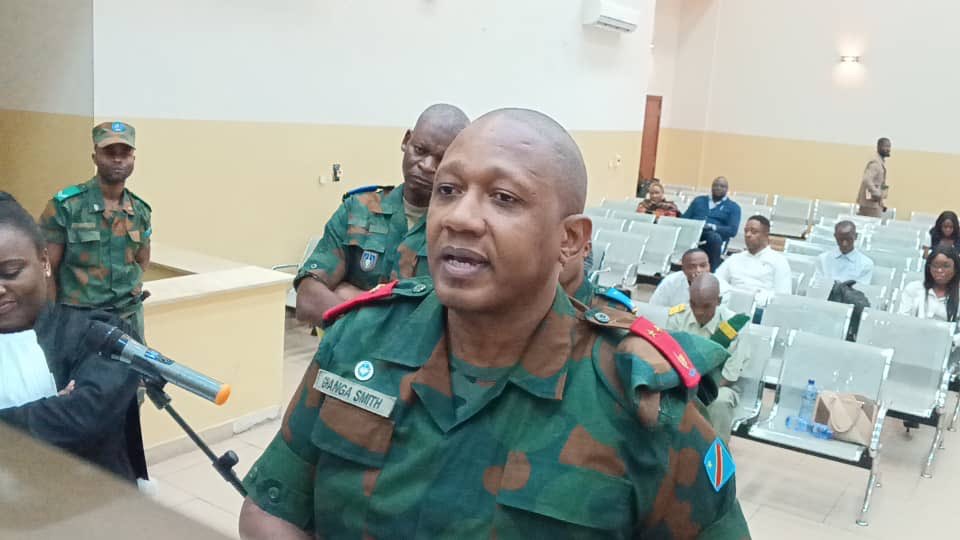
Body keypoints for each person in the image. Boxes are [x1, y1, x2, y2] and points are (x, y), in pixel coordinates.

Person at [238, 109, 750, 539]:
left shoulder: (638, 401)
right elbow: (271, 507)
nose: (459, 217)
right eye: (447, 190)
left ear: (570, 239)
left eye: (504, 198)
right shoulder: (360, 339)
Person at [0, 192, 146, 482]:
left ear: (44, 261)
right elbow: (60, 424)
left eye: (11, 272)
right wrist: (49, 410)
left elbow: (83, 419)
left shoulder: (99, 333)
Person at [294, 104, 470, 324]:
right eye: (420, 150)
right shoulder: (357, 210)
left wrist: (351, 297)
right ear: (406, 140)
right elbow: (308, 299)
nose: (426, 166)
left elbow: (456, 322)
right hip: (351, 347)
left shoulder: (462, 229)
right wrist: (384, 323)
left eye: (441, 159)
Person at [38, 122, 152, 339]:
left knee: (138, 363)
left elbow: (142, 260)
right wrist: (52, 319)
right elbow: (47, 269)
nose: (117, 159)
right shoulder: (67, 207)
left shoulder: (140, 211)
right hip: (80, 320)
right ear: (95, 157)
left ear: (133, 159)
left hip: (128, 318)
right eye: (109, 152)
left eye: (125, 153)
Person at [665, 274, 750, 444]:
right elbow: (669, 358)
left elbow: (729, 376)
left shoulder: (735, 326)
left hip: (718, 385)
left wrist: (699, 393)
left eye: (705, 306)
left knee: (720, 401)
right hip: (680, 381)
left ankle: (717, 451)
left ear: (718, 301)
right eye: (693, 304)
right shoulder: (677, 317)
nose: (698, 312)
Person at [715, 215, 792, 307]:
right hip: (730, 304)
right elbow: (716, 281)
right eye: (746, 231)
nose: (748, 235)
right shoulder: (735, 258)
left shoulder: (778, 261)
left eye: (754, 231)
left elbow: (783, 296)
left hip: (760, 307)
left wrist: (761, 298)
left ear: (766, 235)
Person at [682, 176, 741, 271]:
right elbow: (684, 218)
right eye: (715, 185)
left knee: (714, 238)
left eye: (722, 186)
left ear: (727, 189)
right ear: (711, 187)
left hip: (713, 236)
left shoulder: (733, 207)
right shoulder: (699, 200)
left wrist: (712, 227)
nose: (718, 188)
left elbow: (732, 231)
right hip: (694, 231)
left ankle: (713, 271)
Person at [898, 245, 960, 323]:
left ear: (955, 269)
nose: (940, 270)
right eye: (935, 266)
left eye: (946, 266)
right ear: (929, 268)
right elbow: (902, 320)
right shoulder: (914, 288)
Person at [650, 248, 731, 307]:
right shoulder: (670, 282)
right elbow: (655, 308)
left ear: (709, 267)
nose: (698, 270)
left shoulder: (723, 289)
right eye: (692, 266)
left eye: (703, 266)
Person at [816, 221, 874, 286]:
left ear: (856, 236)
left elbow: (861, 290)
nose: (844, 244)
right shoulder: (822, 259)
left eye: (848, 239)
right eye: (841, 239)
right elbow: (817, 285)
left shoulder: (866, 264)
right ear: (835, 236)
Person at [856, 137, 891, 218]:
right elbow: (866, 179)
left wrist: (881, 199)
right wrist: (876, 193)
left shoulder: (880, 162)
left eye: (889, 147)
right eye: (886, 146)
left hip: (874, 203)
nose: (888, 149)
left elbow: (879, 183)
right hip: (870, 204)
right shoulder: (875, 163)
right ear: (879, 147)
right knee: (874, 223)